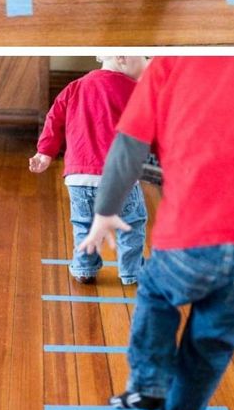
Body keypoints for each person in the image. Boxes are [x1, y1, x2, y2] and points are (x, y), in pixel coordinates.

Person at [79, 56, 234, 410]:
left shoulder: (167, 66)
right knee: (212, 342)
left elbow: (128, 149)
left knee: (158, 293)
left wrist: (104, 213)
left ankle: (148, 382)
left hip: (191, 235)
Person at [29, 56, 148, 285]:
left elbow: (54, 119)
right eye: (143, 57)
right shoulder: (135, 91)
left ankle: (84, 268)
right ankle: (132, 271)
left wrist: (44, 153)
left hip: (79, 178)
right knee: (131, 223)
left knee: (84, 224)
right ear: (122, 58)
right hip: (119, 177)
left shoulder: (75, 87)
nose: (146, 62)